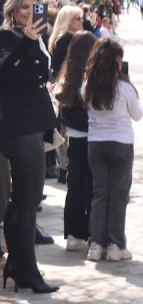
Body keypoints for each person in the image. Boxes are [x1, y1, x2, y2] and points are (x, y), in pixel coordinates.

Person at [0, 0, 60, 293]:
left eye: (34, 7)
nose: (29, 13)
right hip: (19, 126)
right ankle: (29, 271)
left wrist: (35, 41)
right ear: (12, 10)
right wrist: (27, 40)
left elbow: (40, 74)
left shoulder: (34, 38)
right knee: (29, 199)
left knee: (22, 199)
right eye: (24, 7)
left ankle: (17, 264)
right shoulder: (6, 38)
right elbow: (5, 73)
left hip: (34, 125)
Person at [84, 38, 142, 263]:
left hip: (96, 143)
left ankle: (96, 244)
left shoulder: (88, 86)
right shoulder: (124, 88)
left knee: (99, 194)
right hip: (121, 143)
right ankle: (116, 244)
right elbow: (137, 115)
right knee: (118, 195)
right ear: (118, 61)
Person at [55, 31, 98, 253]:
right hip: (94, 137)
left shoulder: (68, 77)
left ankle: (72, 234)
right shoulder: (94, 77)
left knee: (74, 186)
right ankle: (91, 233)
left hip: (75, 139)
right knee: (92, 186)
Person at [48, 5, 84, 79]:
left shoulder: (59, 37)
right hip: (68, 80)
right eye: (78, 18)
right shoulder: (68, 38)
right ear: (67, 21)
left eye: (81, 18)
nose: (82, 21)